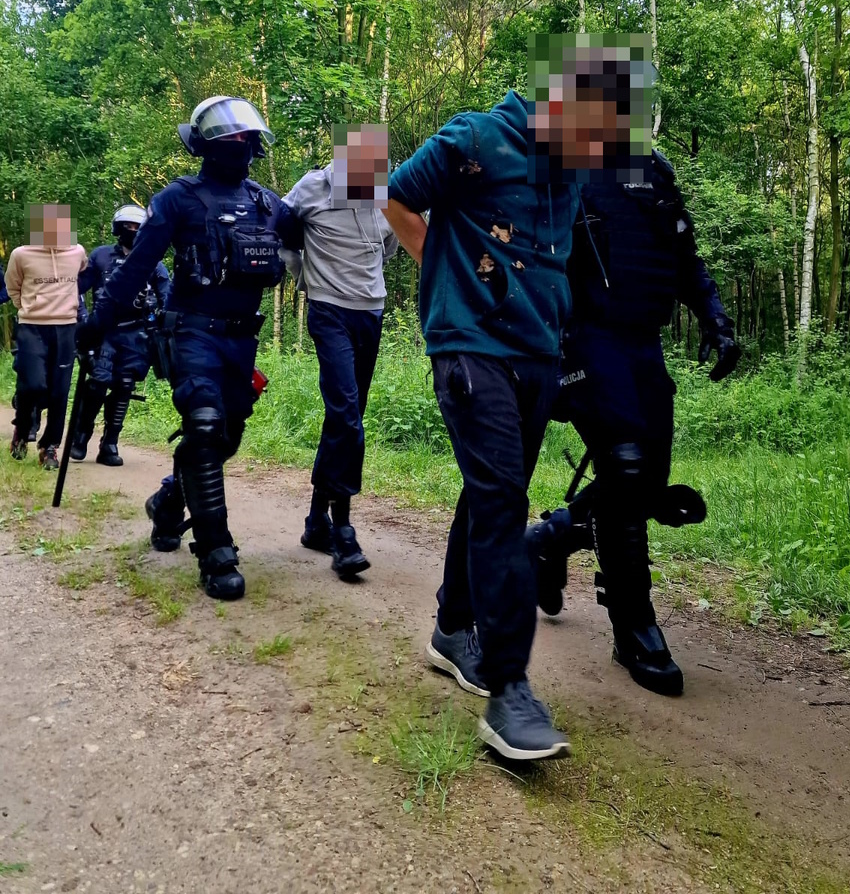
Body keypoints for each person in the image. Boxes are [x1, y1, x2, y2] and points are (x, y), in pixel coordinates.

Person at [385, 87, 583, 762]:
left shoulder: (574, 170)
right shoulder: (475, 139)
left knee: (491, 493)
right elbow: (396, 198)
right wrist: (446, 274)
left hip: (539, 354)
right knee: (503, 504)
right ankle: (510, 690)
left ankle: (451, 628)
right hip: (470, 345)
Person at [528, 132, 740, 697]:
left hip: (644, 342)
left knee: (646, 481)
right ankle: (634, 628)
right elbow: (533, 247)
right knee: (624, 465)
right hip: (587, 337)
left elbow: (684, 258)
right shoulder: (564, 161)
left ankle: (551, 538)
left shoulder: (656, 173)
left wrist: (715, 318)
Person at [78, 97, 304, 600]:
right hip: (190, 333)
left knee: (226, 438)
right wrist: (96, 324)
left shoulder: (269, 204)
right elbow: (136, 268)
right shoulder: (177, 200)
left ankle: (167, 502)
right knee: (203, 426)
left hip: (241, 340)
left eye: (245, 137)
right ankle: (216, 552)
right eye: (228, 137)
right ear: (203, 144)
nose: (238, 143)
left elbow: (319, 232)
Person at [283, 125, 397, 579]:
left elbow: (388, 245)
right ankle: (343, 530)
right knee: (347, 414)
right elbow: (284, 235)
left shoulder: (385, 195)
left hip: (370, 311)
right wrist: (305, 278)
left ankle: (316, 522)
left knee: (346, 418)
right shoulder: (312, 188)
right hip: (328, 310)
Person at [71, 205, 170, 466]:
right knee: (98, 381)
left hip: (136, 334)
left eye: (138, 227)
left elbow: (167, 297)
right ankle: (81, 435)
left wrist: (164, 322)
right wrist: (82, 320)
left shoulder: (153, 262)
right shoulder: (101, 256)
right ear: (119, 228)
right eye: (128, 226)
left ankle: (110, 443)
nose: (133, 231)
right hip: (103, 330)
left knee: (125, 385)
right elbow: (76, 288)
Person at [6, 204, 87, 469]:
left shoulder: (77, 252)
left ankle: (49, 447)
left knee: (59, 391)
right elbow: (13, 286)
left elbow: (82, 272)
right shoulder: (21, 255)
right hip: (32, 326)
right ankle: (21, 430)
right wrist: (27, 308)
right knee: (32, 384)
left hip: (66, 328)